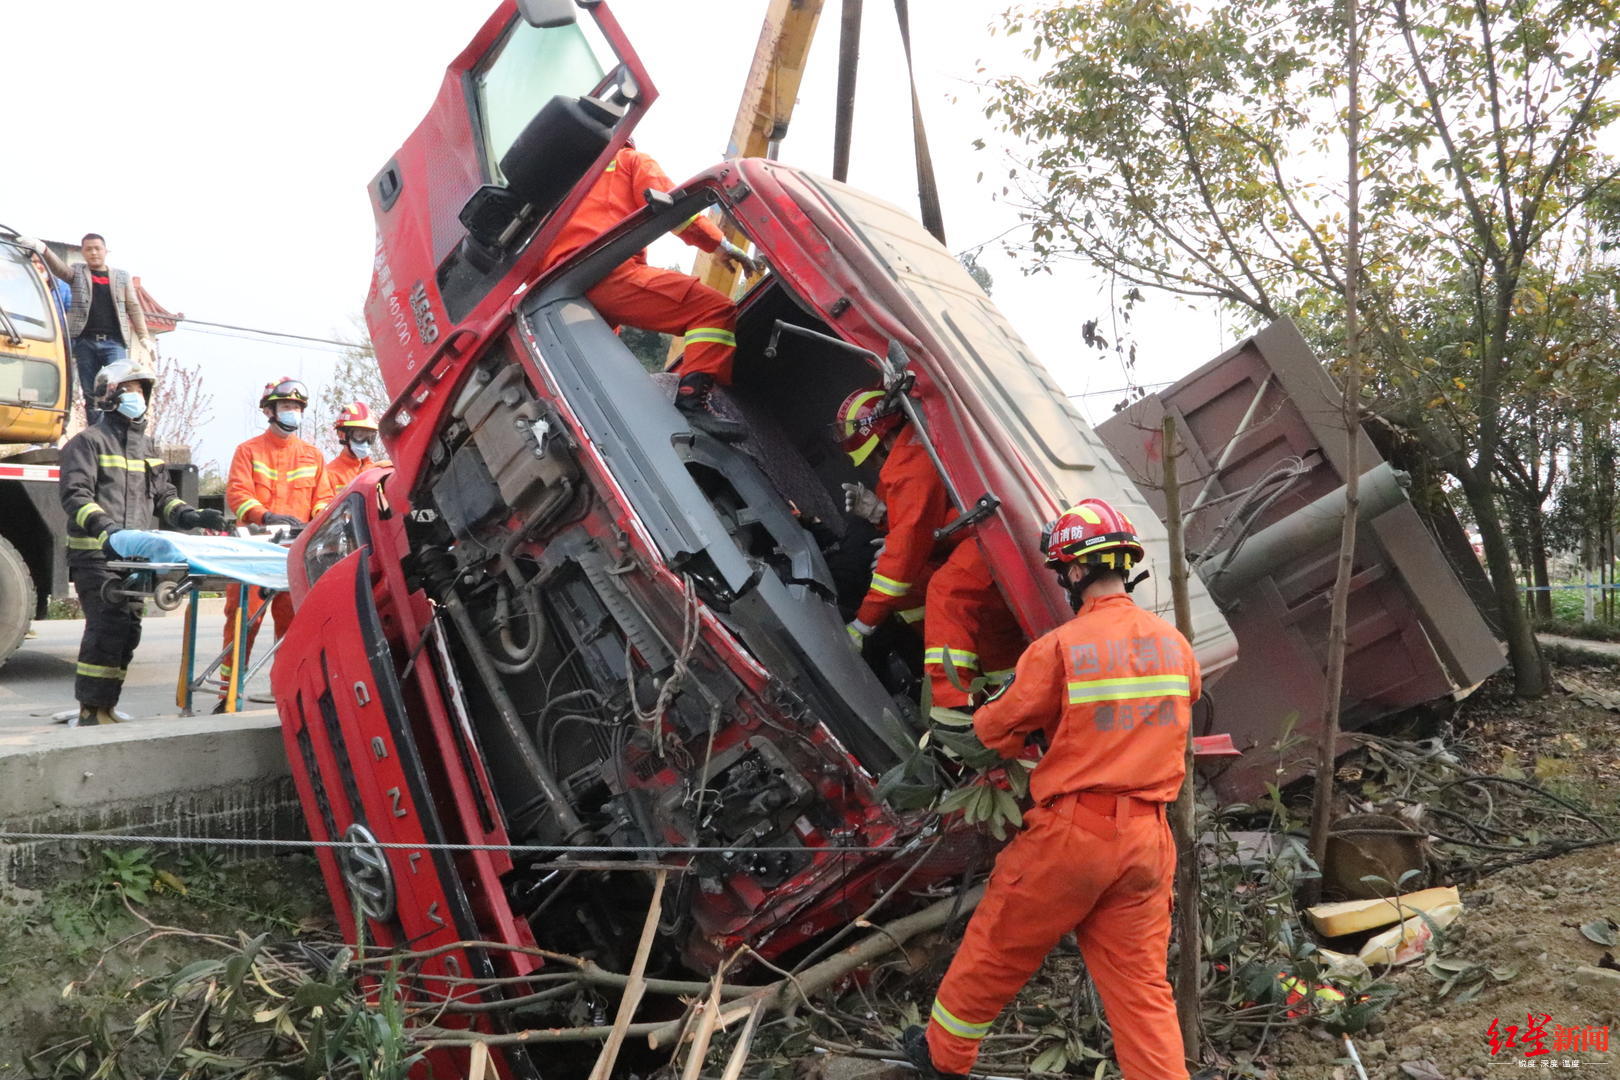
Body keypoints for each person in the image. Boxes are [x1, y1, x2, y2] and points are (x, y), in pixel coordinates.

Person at [902, 498, 1203, 1080]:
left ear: (1074, 570)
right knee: (1141, 990)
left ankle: (943, 1057)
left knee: (996, 946)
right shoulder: (1176, 647)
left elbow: (993, 727)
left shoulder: (1062, 647)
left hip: (1076, 834)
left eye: (1062, 568)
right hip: (1149, 841)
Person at [543, 146, 758, 441]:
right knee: (714, 310)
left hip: (557, 289)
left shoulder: (563, 175)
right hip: (607, 272)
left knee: (595, 367)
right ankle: (691, 402)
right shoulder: (629, 160)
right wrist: (722, 247)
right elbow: (675, 209)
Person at [57, 358, 226, 726]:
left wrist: (193, 516)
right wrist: (106, 530)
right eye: (129, 390)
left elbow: (165, 498)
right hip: (96, 556)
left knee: (128, 631)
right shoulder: (86, 443)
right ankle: (90, 710)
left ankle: (107, 707)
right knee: (106, 628)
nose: (138, 397)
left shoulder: (148, 448)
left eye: (140, 390)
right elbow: (76, 497)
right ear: (110, 395)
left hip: (134, 559)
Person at [837, 388, 1022, 707]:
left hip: (985, 539)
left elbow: (909, 543)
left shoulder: (908, 461)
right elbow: (925, 519)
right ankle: (1003, 696)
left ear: (878, 439)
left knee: (946, 594)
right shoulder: (914, 448)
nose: (874, 467)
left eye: (873, 458)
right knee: (938, 598)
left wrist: (862, 623)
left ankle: (956, 713)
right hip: (980, 536)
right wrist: (883, 518)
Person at [219, 377, 330, 696]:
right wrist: (266, 516)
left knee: (293, 626)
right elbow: (238, 493)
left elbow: (322, 498)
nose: (291, 412)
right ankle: (228, 691)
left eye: (296, 407)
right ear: (270, 411)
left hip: (293, 553)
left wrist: (320, 516)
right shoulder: (248, 451)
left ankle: (287, 692)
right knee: (244, 621)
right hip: (253, 549)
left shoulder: (312, 454)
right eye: (285, 406)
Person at [15, 233, 156, 406]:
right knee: (90, 392)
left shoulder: (121, 277)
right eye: (89, 249)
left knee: (118, 387)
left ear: (106, 251)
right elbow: (60, 269)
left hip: (114, 342)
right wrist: (43, 249)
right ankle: (94, 430)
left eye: (98, 248)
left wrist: (144, 337)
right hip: (85, 343)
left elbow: (134, 307)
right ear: (83, 252)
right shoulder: (78, 272)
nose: (94, 253)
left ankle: (115, 428)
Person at [324, 400, 390, 493]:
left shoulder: (375, 470)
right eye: (360, 435)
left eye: (370, 436)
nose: (365, 442)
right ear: (342, 434)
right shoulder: (329, 474)